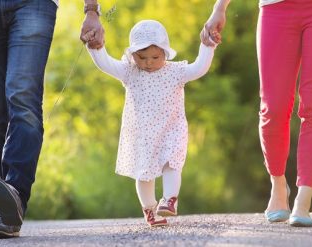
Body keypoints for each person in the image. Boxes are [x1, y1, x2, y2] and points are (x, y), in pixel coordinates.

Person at [202, 0, 312, 227]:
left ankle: (303, 201)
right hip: (276, 7)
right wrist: (219, 8)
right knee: (273, 108)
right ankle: (278, 184)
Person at [81, 19, 219, 227]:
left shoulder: (175, 72)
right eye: (141, 57)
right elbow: (106, 64)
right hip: (142, 134)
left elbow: (200, 68)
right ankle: (149, 210)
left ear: (165, 51)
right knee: (144, 173)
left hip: (171, 129)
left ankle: (170, 199)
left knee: (172, 162)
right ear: (132, 55)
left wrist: (207, 46)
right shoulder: (129, 71)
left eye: (155, 57)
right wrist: (95, 49)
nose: (148, 62)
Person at [0, 0, 58, 239]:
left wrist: (91, 8)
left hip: (34, 5)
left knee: (22, 98)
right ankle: (1, 212)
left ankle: (15, 195)